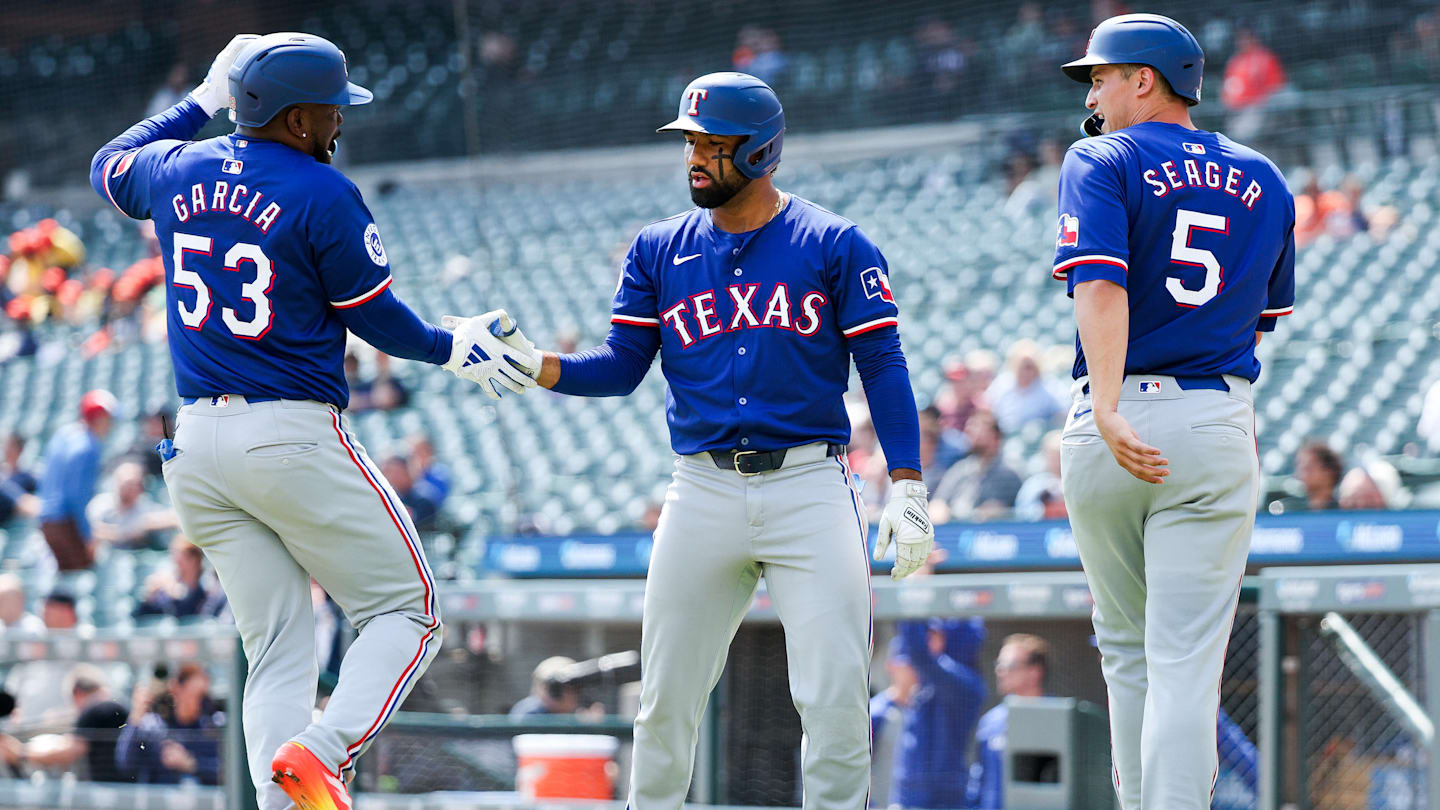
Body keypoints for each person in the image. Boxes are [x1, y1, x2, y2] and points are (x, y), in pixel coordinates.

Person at [90, 32, 541, 810]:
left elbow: (108, 166)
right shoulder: (321, 192)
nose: (340, 123)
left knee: (276, 650)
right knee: (412, 610)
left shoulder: (180, 166)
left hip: (195, 446)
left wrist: (203, 96)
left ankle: (281, 799)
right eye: (332, 110)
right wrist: (450, 345)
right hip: (287, 435)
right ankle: (323, 749)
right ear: (299, 119)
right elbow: (381, 323)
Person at [520, 72, 934, 810]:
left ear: (761, 150)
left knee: (835, 698)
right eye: (690, 143)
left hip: (810, 484)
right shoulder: (656, 249)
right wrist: (537, 366)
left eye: (713, 144)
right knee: (664, 699)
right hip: (700, 487)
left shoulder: (834, 242)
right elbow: (619, 367)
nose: (695, 158)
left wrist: (906, 480)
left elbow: (883, 363)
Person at [1055, 14, 1294, 809]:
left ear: (1144, 80)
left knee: (1126, 652)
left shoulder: (1101, 156)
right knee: (1186, 663)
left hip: (1110, 414)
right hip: (1210, 417)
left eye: (1101, 76)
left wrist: (1116, 404)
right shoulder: (1266, 176)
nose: (1093, 92)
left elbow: (1099, 286)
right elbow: (1259, 320)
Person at [872, 616, 987, 809]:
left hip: (943, 802)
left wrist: (911, 603)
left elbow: (919, 655)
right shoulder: (926, 684)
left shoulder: (964, 684)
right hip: (909, 798)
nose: (930, 641)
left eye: (936, 635)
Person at [968, 633, 1050, 809]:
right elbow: (978, 784)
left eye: (1010, 665)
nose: (1001, 671)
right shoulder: (990, 722)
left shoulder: (1057, 719)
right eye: (999, 665)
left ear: (1035, 671)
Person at [38, 390, 117, 570]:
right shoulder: (88, 446)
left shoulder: (64, 434)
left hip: (47, 521)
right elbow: (78, 497)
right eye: (108, 419)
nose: (111, 425)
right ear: (98, 418)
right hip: (67, 523)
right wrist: (88, 535)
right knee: (80, 579)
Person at [19, 664, 131, 783]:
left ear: (76, 693)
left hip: (111, 788)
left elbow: (70, 752)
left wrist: (21, 754)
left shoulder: (94, 709)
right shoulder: (117, 704)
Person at [116, 663, 224, 785]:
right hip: (159, 802)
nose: (202, 701)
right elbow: (126, 764)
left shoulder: (216, 725)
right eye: (196, 694)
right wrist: (136, 716)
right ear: (175, 688)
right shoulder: (153, 726)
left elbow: (230, 771)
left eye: (204, 694)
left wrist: (190, 764)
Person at [931, 410, 1023, 522]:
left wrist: (998, 512)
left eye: (977, 426)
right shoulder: (960, 469)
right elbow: (938, 502)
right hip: (953, 531)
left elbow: (1013, 511)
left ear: (996, 436)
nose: (969, 431)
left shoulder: (1008, 473)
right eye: (969, 427)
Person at [87, 460, 179, 549]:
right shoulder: (101, 503)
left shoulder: (144, 505)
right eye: (126, 483)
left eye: (135, 484)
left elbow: (173, 518)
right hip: (105, 555)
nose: (130, 488)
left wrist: (148, 523)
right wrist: (129, 531)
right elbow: (92, 530)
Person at [135, 535, 228, 619]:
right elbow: (140, 617)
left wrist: (179, 595)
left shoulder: (209, 587)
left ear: (194, 560)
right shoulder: (168, 588)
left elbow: (203, 618)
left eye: (180, 561)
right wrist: (150, 598)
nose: (177, 567)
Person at [987, 340, 1066, 434]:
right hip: (1003, 436)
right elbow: (988, 410)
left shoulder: (1051, 386)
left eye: (1029, 366)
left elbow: (1062, 415)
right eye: (1022, 366)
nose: (1026, 371)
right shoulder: (1002, 384)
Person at [1014, 430, 1066, 520]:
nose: (1057, 461)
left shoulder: (1079, 482)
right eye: (1053, 456)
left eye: (1061, 455)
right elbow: (1022, 513)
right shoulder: (1034, 484)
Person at [509, 656, 581, 718]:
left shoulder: (578, 711)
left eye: (574, 687)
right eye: (556, 688)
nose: (570, 694)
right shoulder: (530, 712)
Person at [0, 434, 39, 524]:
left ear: (20, 449)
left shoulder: (27, 476)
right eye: (6, 445)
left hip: (12, 523)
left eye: (11, 445)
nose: (7, 449)